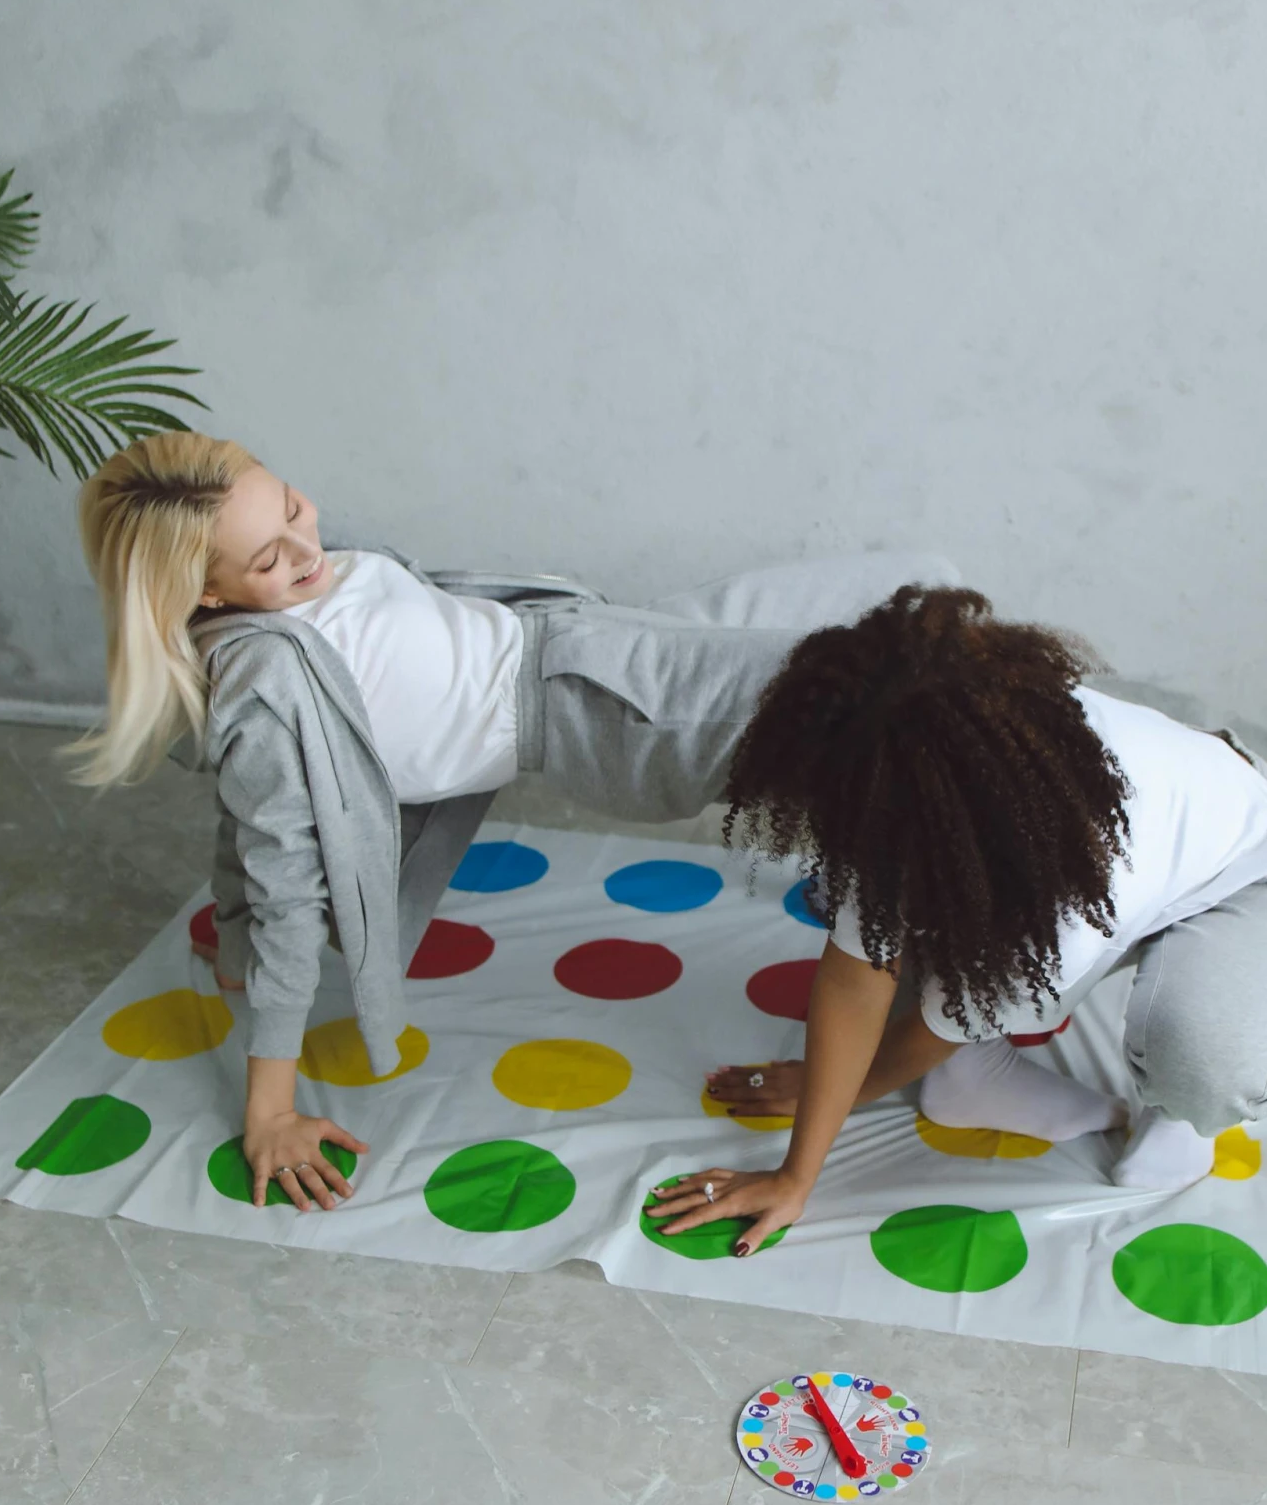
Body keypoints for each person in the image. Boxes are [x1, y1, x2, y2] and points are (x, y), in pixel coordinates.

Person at [73, 430, 956, 1212]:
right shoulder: (266, 685)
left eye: (294, 508)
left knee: (927, 588)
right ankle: (965, 1028)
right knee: (916, 709)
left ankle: (975, 998)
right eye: (269, 557)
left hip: (593, 630)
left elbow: (243, 828)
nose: (308, 547)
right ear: (207, 595)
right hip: (611, 708)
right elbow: (280, 873)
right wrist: (268, 1107)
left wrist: (229, 954)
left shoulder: (300, 575)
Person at [648, 584, 1267, 1257]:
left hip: (1259, 863)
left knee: (1206, 1058)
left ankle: (1180, 1107)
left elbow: (931, 1022)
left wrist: (845, 1095)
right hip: (1107, 844)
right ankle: (974, 1074)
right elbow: (857, 977)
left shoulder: (1074, 885)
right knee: (940, 912)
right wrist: (793, 1176)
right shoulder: (916, 764)